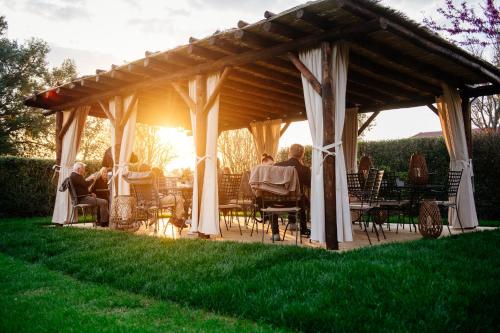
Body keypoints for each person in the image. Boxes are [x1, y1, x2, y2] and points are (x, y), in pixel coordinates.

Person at [275, 144, 311, 237]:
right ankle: (303, 229)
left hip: (277, 201)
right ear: (302, 155)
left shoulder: (277, 166)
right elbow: (310, 185)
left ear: (289, 152)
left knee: (298, 196)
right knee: (301, 197)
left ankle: (275, 233)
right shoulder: (305, 169)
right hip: (296, 202)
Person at [70, 162, 109, 226]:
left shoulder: (74, 176)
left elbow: (82, 188)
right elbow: (86, 184)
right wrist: (92, 179)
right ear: (79, 169)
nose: (84, 171)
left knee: (102, 201)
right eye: (83, 169)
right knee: (104, 202)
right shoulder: (76, 176)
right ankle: (104, 222)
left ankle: (99, 221)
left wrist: (90, 193)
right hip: (83, 198)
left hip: (82, 197)